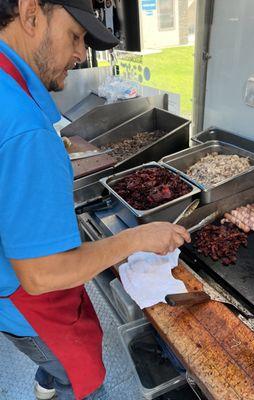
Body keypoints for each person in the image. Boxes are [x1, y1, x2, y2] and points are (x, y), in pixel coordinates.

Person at [0, 0, 191, 399]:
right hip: (30, 309)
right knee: (80, 378)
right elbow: (43, 275)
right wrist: (136, 239)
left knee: (52, 362)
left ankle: (48, 376)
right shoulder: (24, 128)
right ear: (31, 11)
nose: (80, 53)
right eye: (75, 35)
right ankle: (58, 378)